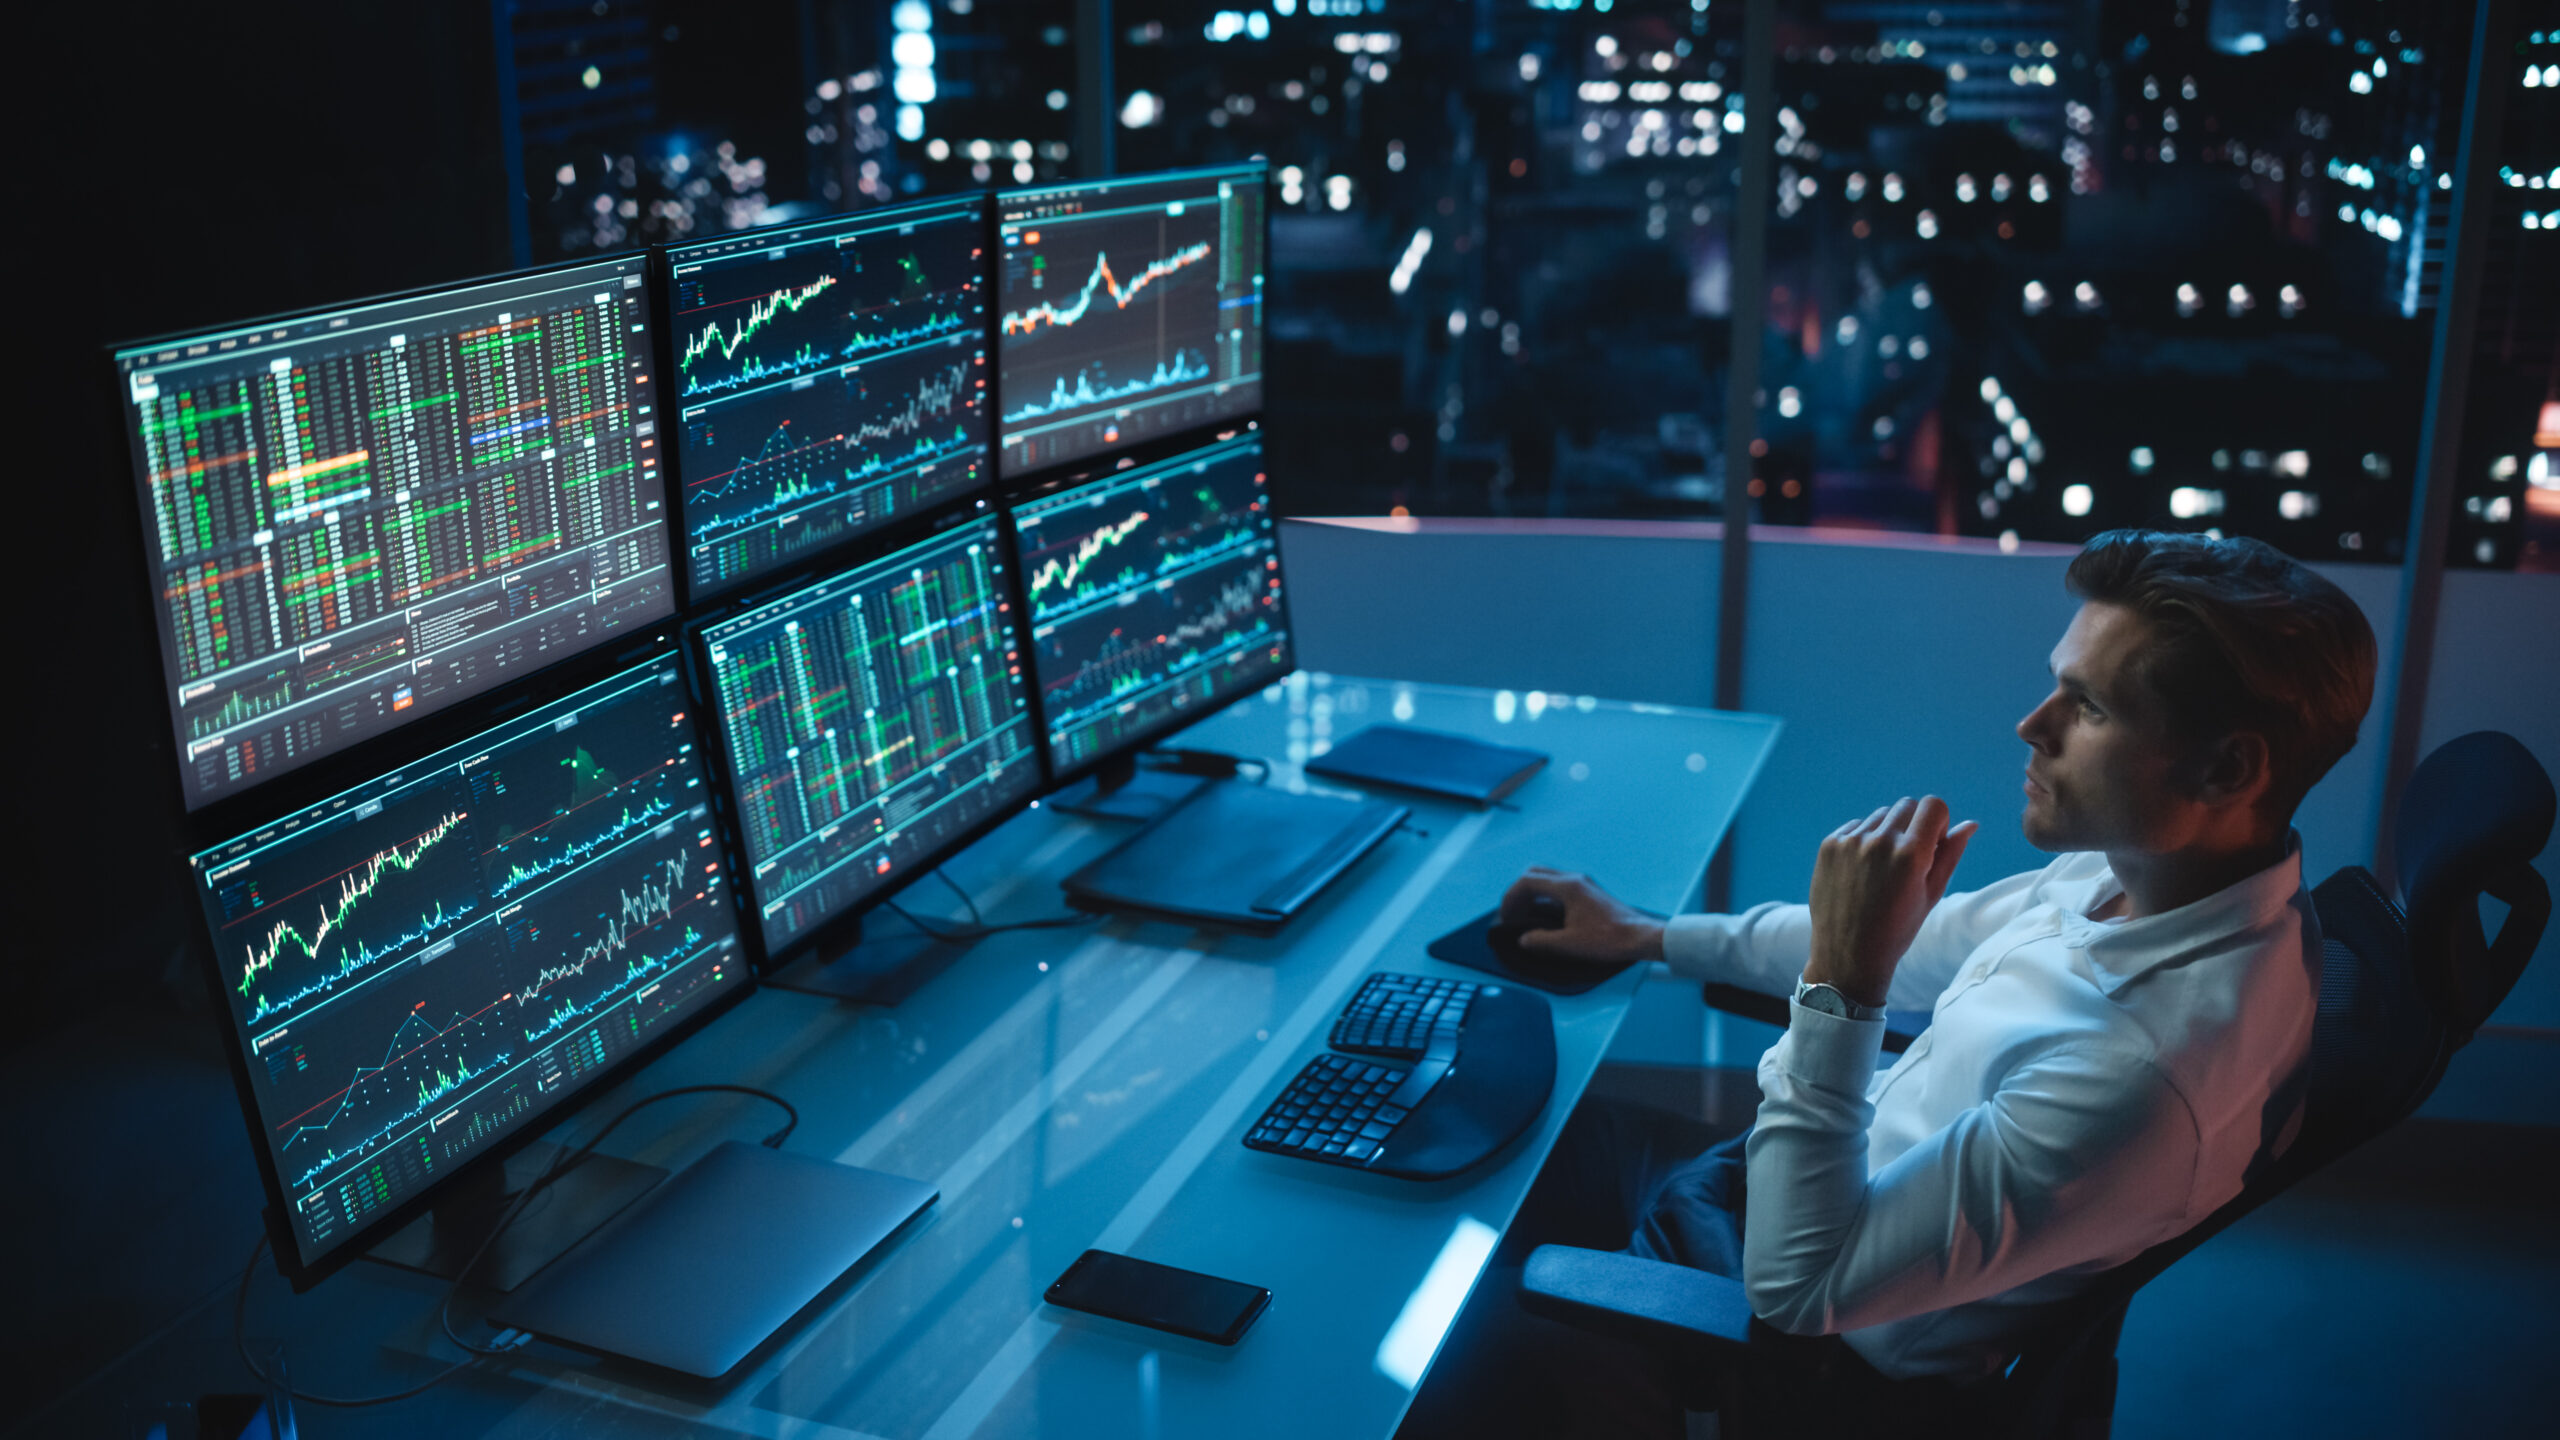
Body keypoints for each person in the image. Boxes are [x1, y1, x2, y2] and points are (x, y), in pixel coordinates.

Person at [1398, 529, 2378, 1438]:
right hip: (1775, 1188)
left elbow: (1798, 1290)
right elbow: (1914, 947)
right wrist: (1650, 936)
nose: (2030, 725)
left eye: (2090, 707)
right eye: (2056, 686)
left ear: (2226, 770)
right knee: (1495, 1129)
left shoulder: (2146, 1071)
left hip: (1795, 1344)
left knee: (1406, 1328)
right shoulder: (2150, 873)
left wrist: (1841, 982)